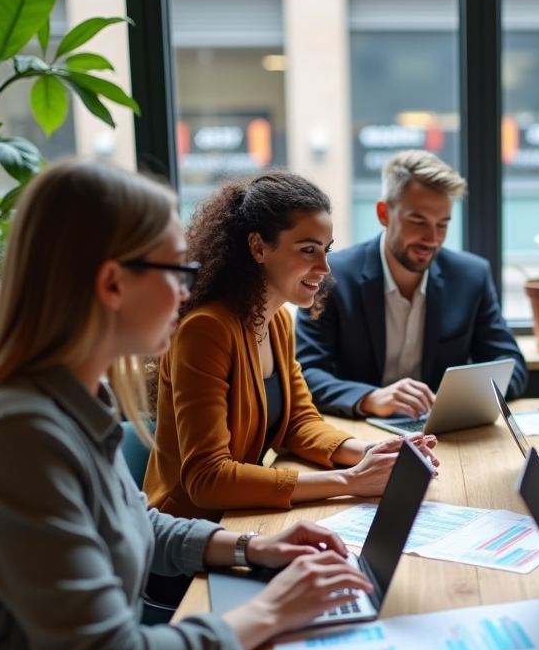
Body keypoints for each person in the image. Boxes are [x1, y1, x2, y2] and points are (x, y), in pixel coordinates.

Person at [0, 162, 374, 650]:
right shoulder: (19, 442)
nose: (188, 289)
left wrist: (251, 550)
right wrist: (273, 611)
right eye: (175, 270)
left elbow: (138, 522)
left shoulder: (70, 403)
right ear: (112, 284)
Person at [145, 170, 438, 520]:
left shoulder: (279, 321)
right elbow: (206, 479)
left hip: (241, 516)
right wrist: (349, 480)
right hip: (187, 534)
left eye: (326, 250)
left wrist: (377, 452)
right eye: (308, 250)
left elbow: (299, 423)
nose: (325, 266)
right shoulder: (206, 330)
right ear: (257, 247)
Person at [295, 149, 528, 418]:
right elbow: (306, 373)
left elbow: (512, 366)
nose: (432, 239)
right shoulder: (332, 277)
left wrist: (455, 402)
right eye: (418, 222)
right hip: (360, 429)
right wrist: (370, 398)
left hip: (440, 434)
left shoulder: (471, 277)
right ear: (384, 213)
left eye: (442, 225)